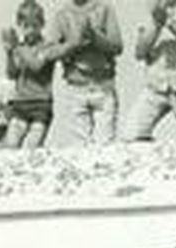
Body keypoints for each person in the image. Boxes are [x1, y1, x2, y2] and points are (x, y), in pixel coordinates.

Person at [125, 0, 176, 141]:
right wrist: (157, 25)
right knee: (130, 135)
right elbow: (139, 52)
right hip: (155, 88)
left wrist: (170, 23)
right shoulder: (150, 10)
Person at [52, 0, 123, 145]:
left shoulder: (105, 9)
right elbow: (50, 52)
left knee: (105, 145)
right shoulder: (62, 15)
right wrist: (73, 44)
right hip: (75, 87)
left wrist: (95, 37)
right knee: (79, 147)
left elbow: (117, 46)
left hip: (103, 86)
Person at [3, 0, 58, 148]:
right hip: (20, 102)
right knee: (11, 144)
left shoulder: (48, 46)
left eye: (35, 25)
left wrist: (16, 48)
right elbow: (11, 74)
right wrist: (9, 53)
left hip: (41, 103)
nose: (31, 30)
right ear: (19, 25)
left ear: (42, 25)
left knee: (31, 147)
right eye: (26, 26)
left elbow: (36, 66)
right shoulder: (19, 48)